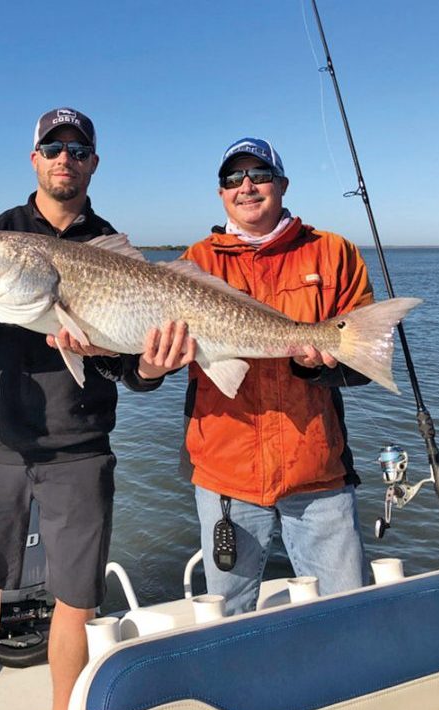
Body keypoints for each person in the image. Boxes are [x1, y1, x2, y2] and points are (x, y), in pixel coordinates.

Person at [0, 108, 190, 710]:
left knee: (75, 603)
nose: (65, 158)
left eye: (78, 149)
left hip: (80, 448)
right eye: (52, 147)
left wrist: (154, 369)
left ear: (93, 164)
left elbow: (132, 371)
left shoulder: (114, 250)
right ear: (34, 158)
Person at [141, 137, 374, 616]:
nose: (246, 186)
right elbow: (144, 365)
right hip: (226, 475)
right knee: (225, 615)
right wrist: (149, 366)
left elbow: (363, 361)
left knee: (348, 610)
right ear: (221, 194)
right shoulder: (196, 262)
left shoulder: (332, 252)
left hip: (318, 472)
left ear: (283, 184)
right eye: (232, 179)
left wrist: (316, 363)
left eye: (259, 175)